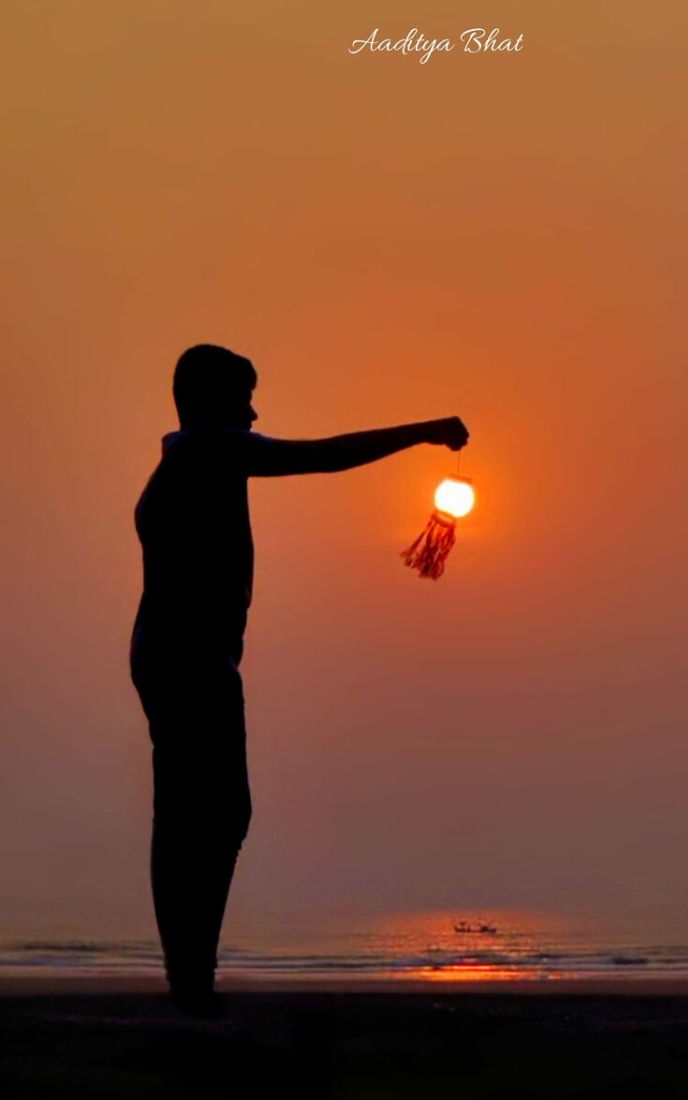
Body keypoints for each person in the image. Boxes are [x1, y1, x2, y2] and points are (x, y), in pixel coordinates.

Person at [129, 344, 469, 1016]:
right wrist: (423, 431)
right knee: (214, 815)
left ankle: (188, 976)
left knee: (194, 815)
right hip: (192, 660)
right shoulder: (205, 454)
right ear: (212, 401)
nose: (255, 411)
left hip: (177, 656)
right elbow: (322, 455)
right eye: (244, 397)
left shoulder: (188, 463)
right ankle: (190, 978)